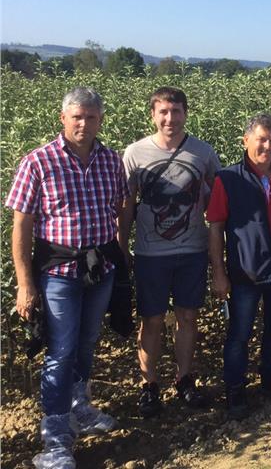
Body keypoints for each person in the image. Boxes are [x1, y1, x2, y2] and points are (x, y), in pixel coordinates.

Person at [6, 87, 129, 469]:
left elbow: (119, 208)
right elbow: (21, 226)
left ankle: (80, 409)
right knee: (60, 351)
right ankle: (56, 439)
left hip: (99, 269)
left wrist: (118, 254)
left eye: (91, 117)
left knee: (87, 342)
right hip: (58, 273)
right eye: (77, 116)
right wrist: (25, 283)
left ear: (100, 121)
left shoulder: (111, 161)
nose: (83, 124)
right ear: (63, 118)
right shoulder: (38, 162)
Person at [119, 87, 221, 418]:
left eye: (176, 111)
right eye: (163, 111)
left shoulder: (203, 153)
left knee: (188, 317)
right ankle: (149, 384)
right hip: (150, 253)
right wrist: (121, 245)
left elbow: (217, 201)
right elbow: (125, 205)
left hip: (192, 249)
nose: (170, 118)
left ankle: (184, 378)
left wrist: (218, 248)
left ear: (185, 114)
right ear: (153, 115)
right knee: (151, 319)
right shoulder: (135, 154)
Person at [207, 113, 271, 420]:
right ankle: (235, 390)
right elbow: (215, 227)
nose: (267, 146)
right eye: (261, 140)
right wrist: (219, 273)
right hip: (246, 272)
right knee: (240, 333)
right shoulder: (228, 179)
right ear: (246, 141)